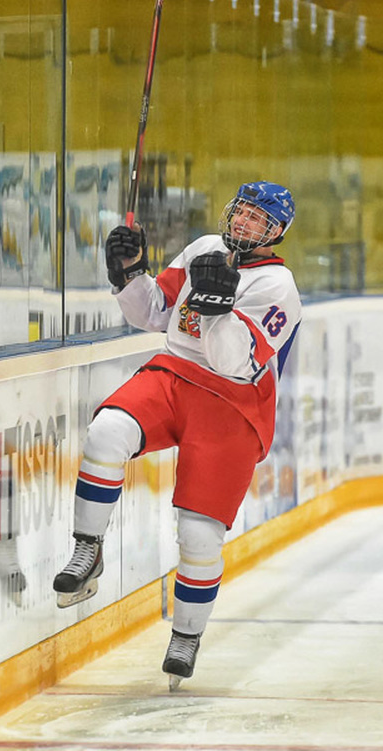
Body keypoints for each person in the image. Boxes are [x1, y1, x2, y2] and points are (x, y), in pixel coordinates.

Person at [52, 181, 301, 689]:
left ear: (276, 234)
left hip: (234, 403)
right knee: (106, 432)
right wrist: (128, 274)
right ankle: (87, 547)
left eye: (259, 220)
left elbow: (234, 362)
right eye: (242, 213)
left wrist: (217, 310)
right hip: (174, 373)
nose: (245, 224)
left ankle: (186, 635)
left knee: (199, 535)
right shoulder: (202, 250)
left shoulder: (279, 289)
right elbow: (154, 314)